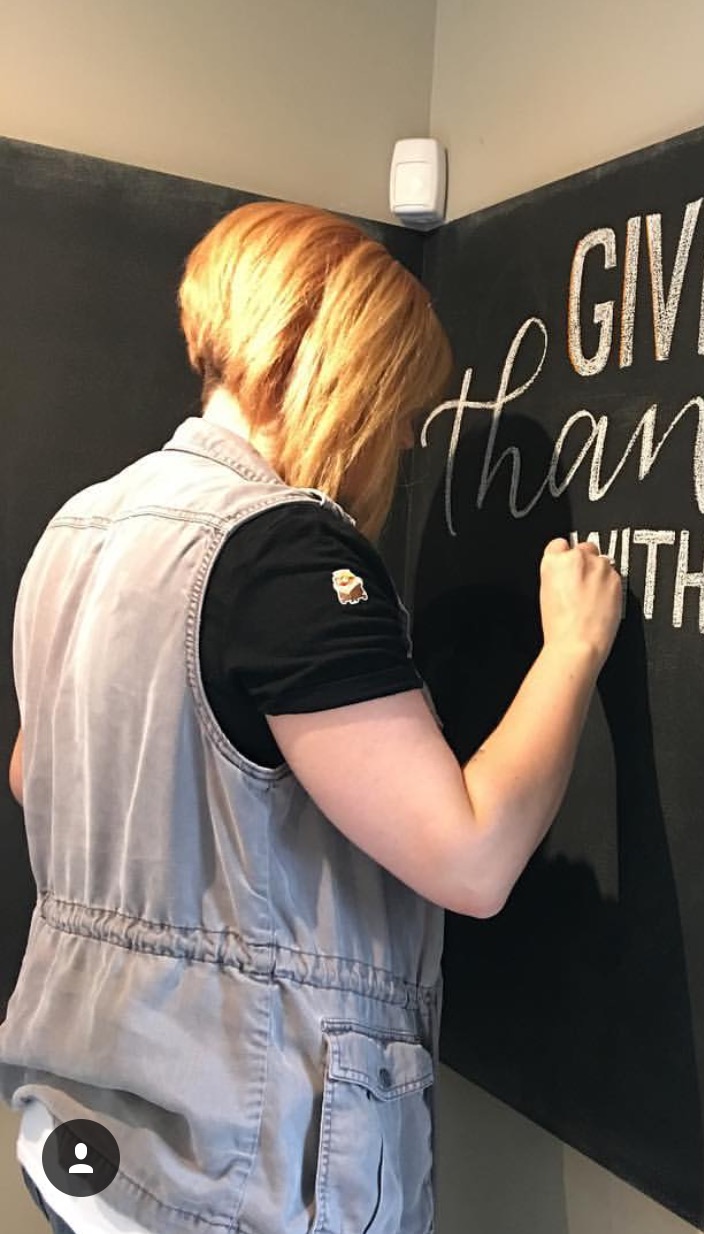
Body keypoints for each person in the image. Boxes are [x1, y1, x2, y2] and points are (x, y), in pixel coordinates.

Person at [1, 201, 622, 1234]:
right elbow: (471, 858)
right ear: (345, 370)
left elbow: (35, 770)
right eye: (401, 407)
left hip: (92, 1117)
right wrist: (574, 648)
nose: (402, 441)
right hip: (241, 1150)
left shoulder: (82, 527)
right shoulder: (285, 556)